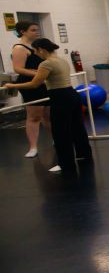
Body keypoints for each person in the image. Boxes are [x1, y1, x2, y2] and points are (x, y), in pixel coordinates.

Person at [4, 39, 91, 173]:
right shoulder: (61, 60)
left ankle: (65, 163)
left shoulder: (46, 63)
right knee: (77, 127)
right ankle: (83, 154)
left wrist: (12, 85)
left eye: (35, 51)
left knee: (61, 132)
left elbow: (34, 84)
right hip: (72, 95)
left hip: (60, 97)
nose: (35, 54)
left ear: (41, 50)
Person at [9, 21, 50, 158]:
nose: (37, 32)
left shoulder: (35, 46)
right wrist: (39, 74)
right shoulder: (19, 48)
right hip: (30, 84)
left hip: (43, 83)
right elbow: (18, 69)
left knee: (48, 115)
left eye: (37, 29)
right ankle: (33, 147)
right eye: (33, 30)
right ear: (23, 31)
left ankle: (57, 139)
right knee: (34, 117)